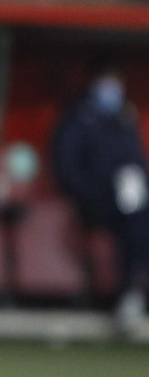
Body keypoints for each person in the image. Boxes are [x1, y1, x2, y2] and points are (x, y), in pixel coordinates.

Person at [52, 63, 149, 332]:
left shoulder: (124, 119)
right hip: (91, 201)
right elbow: (66, 164)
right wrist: (91, 192)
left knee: (139, 217)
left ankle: (134, 294)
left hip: (127, 200)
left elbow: (136, 160)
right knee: (136, 223)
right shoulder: (79, 118)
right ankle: (130, 294)